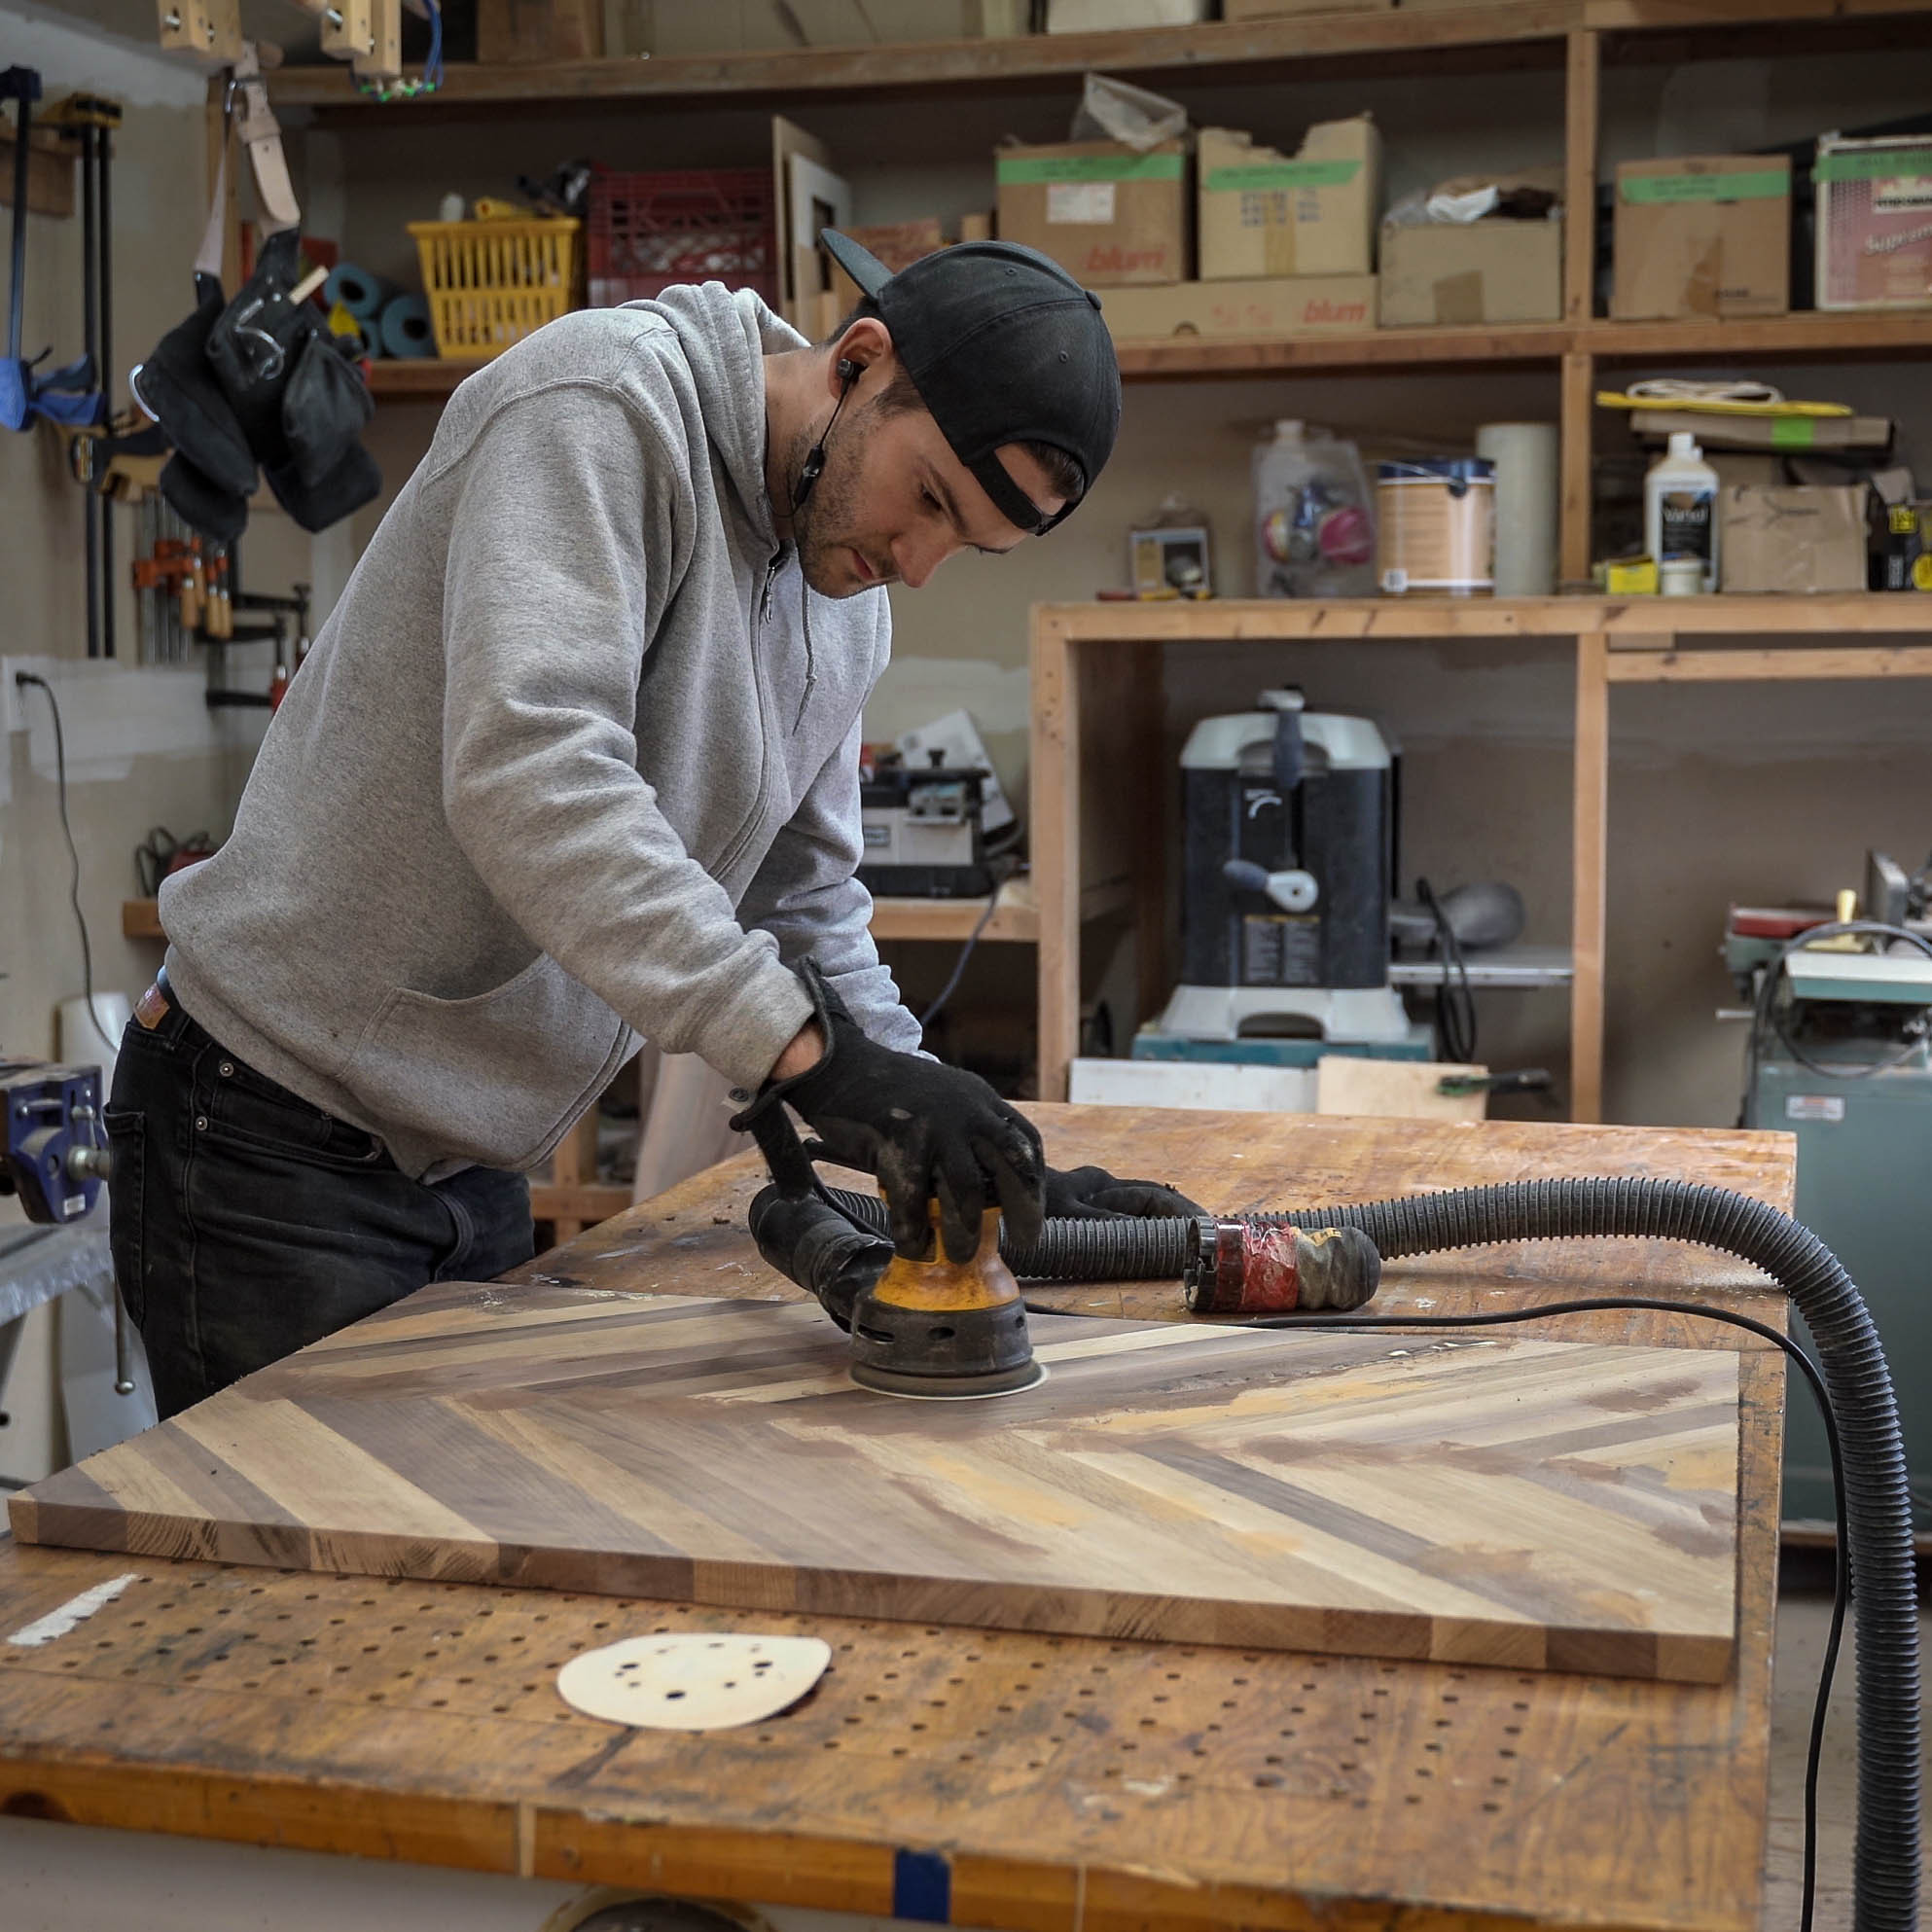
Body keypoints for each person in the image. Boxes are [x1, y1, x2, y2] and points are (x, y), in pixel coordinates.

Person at [106, 230, 1199, 1419]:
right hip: (265, 1133)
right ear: (860, 362)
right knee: (292, 1584)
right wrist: (809, 1059)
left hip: (468, 1158)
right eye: (927, 497)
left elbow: (805, 907)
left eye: (967, 543)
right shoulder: (604, 407)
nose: (916, 563)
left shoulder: (846, 602)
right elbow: (534, 773)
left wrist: (945, 1132)